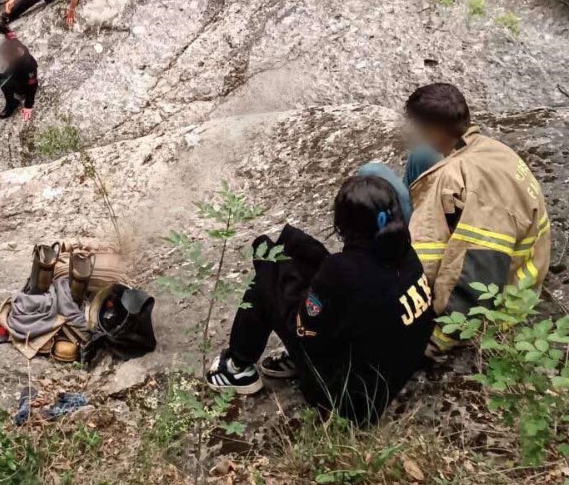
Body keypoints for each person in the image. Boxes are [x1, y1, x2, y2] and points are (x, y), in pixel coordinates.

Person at [207, 174, 434, 426]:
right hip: (394, 371)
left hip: (349, 401)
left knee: (269, 266)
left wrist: (281, 281)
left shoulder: (343, 272)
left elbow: (302, 329)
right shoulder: (404, 251)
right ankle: (273, 357)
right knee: (298, 251)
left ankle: (236, 365)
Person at [404, 83, 551, 355]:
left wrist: (437, 338)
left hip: (504, 297)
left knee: (374, 174)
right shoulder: (490, 149)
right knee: (420, 158)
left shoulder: (457, 182)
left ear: (432, 130)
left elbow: (476, 270)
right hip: (524, 262)